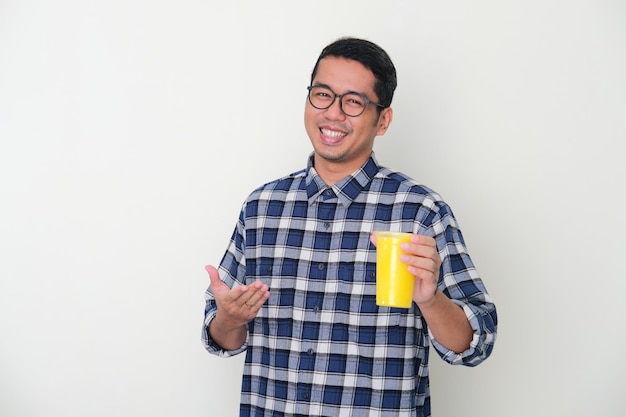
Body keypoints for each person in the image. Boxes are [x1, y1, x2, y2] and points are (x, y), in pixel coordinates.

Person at [202, 37, 497, 417]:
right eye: (322, 94)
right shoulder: (262, 208)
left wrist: (429, 299)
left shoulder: (421, 212)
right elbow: (221, 336)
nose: (333, 113)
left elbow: (475, 343)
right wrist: (229, 317)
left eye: (353, 102)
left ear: (383, 119)